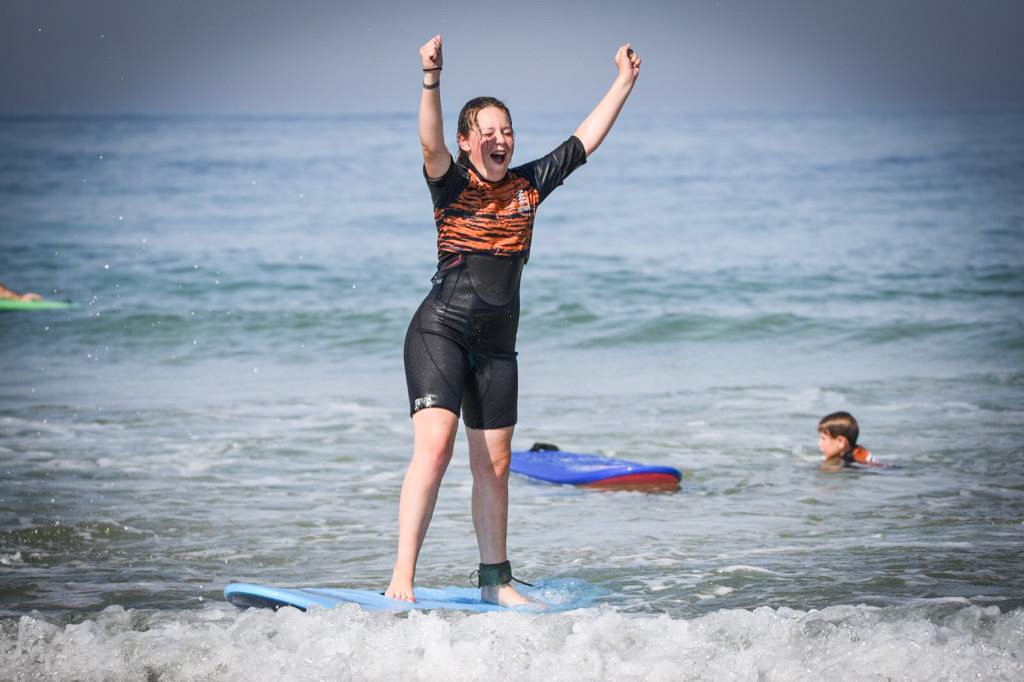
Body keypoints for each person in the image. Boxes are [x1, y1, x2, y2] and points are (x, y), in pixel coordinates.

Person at [385, 34, 641, 605]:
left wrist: (623, 82)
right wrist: (432, 77)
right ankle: (403, 575)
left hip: (499, 349)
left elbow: (583, 142)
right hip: (439, 333)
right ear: (466, 141)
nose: (501, 140)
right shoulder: (450, 186)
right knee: (435, 448)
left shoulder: (528, 187)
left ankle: (494, 583)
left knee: (495, 465)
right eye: (489, 132)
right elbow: (428, 140)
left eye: (508, 131)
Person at [817, 411, 886, 471]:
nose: (819, 444)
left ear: (841, 442)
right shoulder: (854, 451)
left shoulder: (849, 461)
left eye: (823, 439)